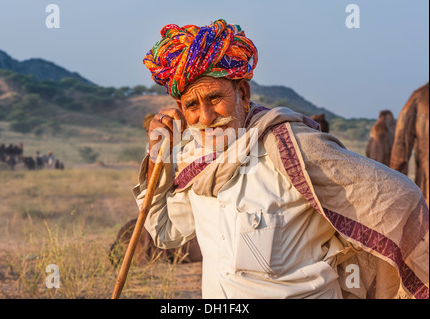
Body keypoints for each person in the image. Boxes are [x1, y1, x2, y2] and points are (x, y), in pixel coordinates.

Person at [134, 19, 428, 299]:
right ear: (181, 110)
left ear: (243, 93)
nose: (206, 117)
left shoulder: (294, 149)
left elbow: (398, 198)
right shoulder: (194, 161)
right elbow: (165, 233)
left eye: (214, 98)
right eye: (192, 105)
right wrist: (158, 156)